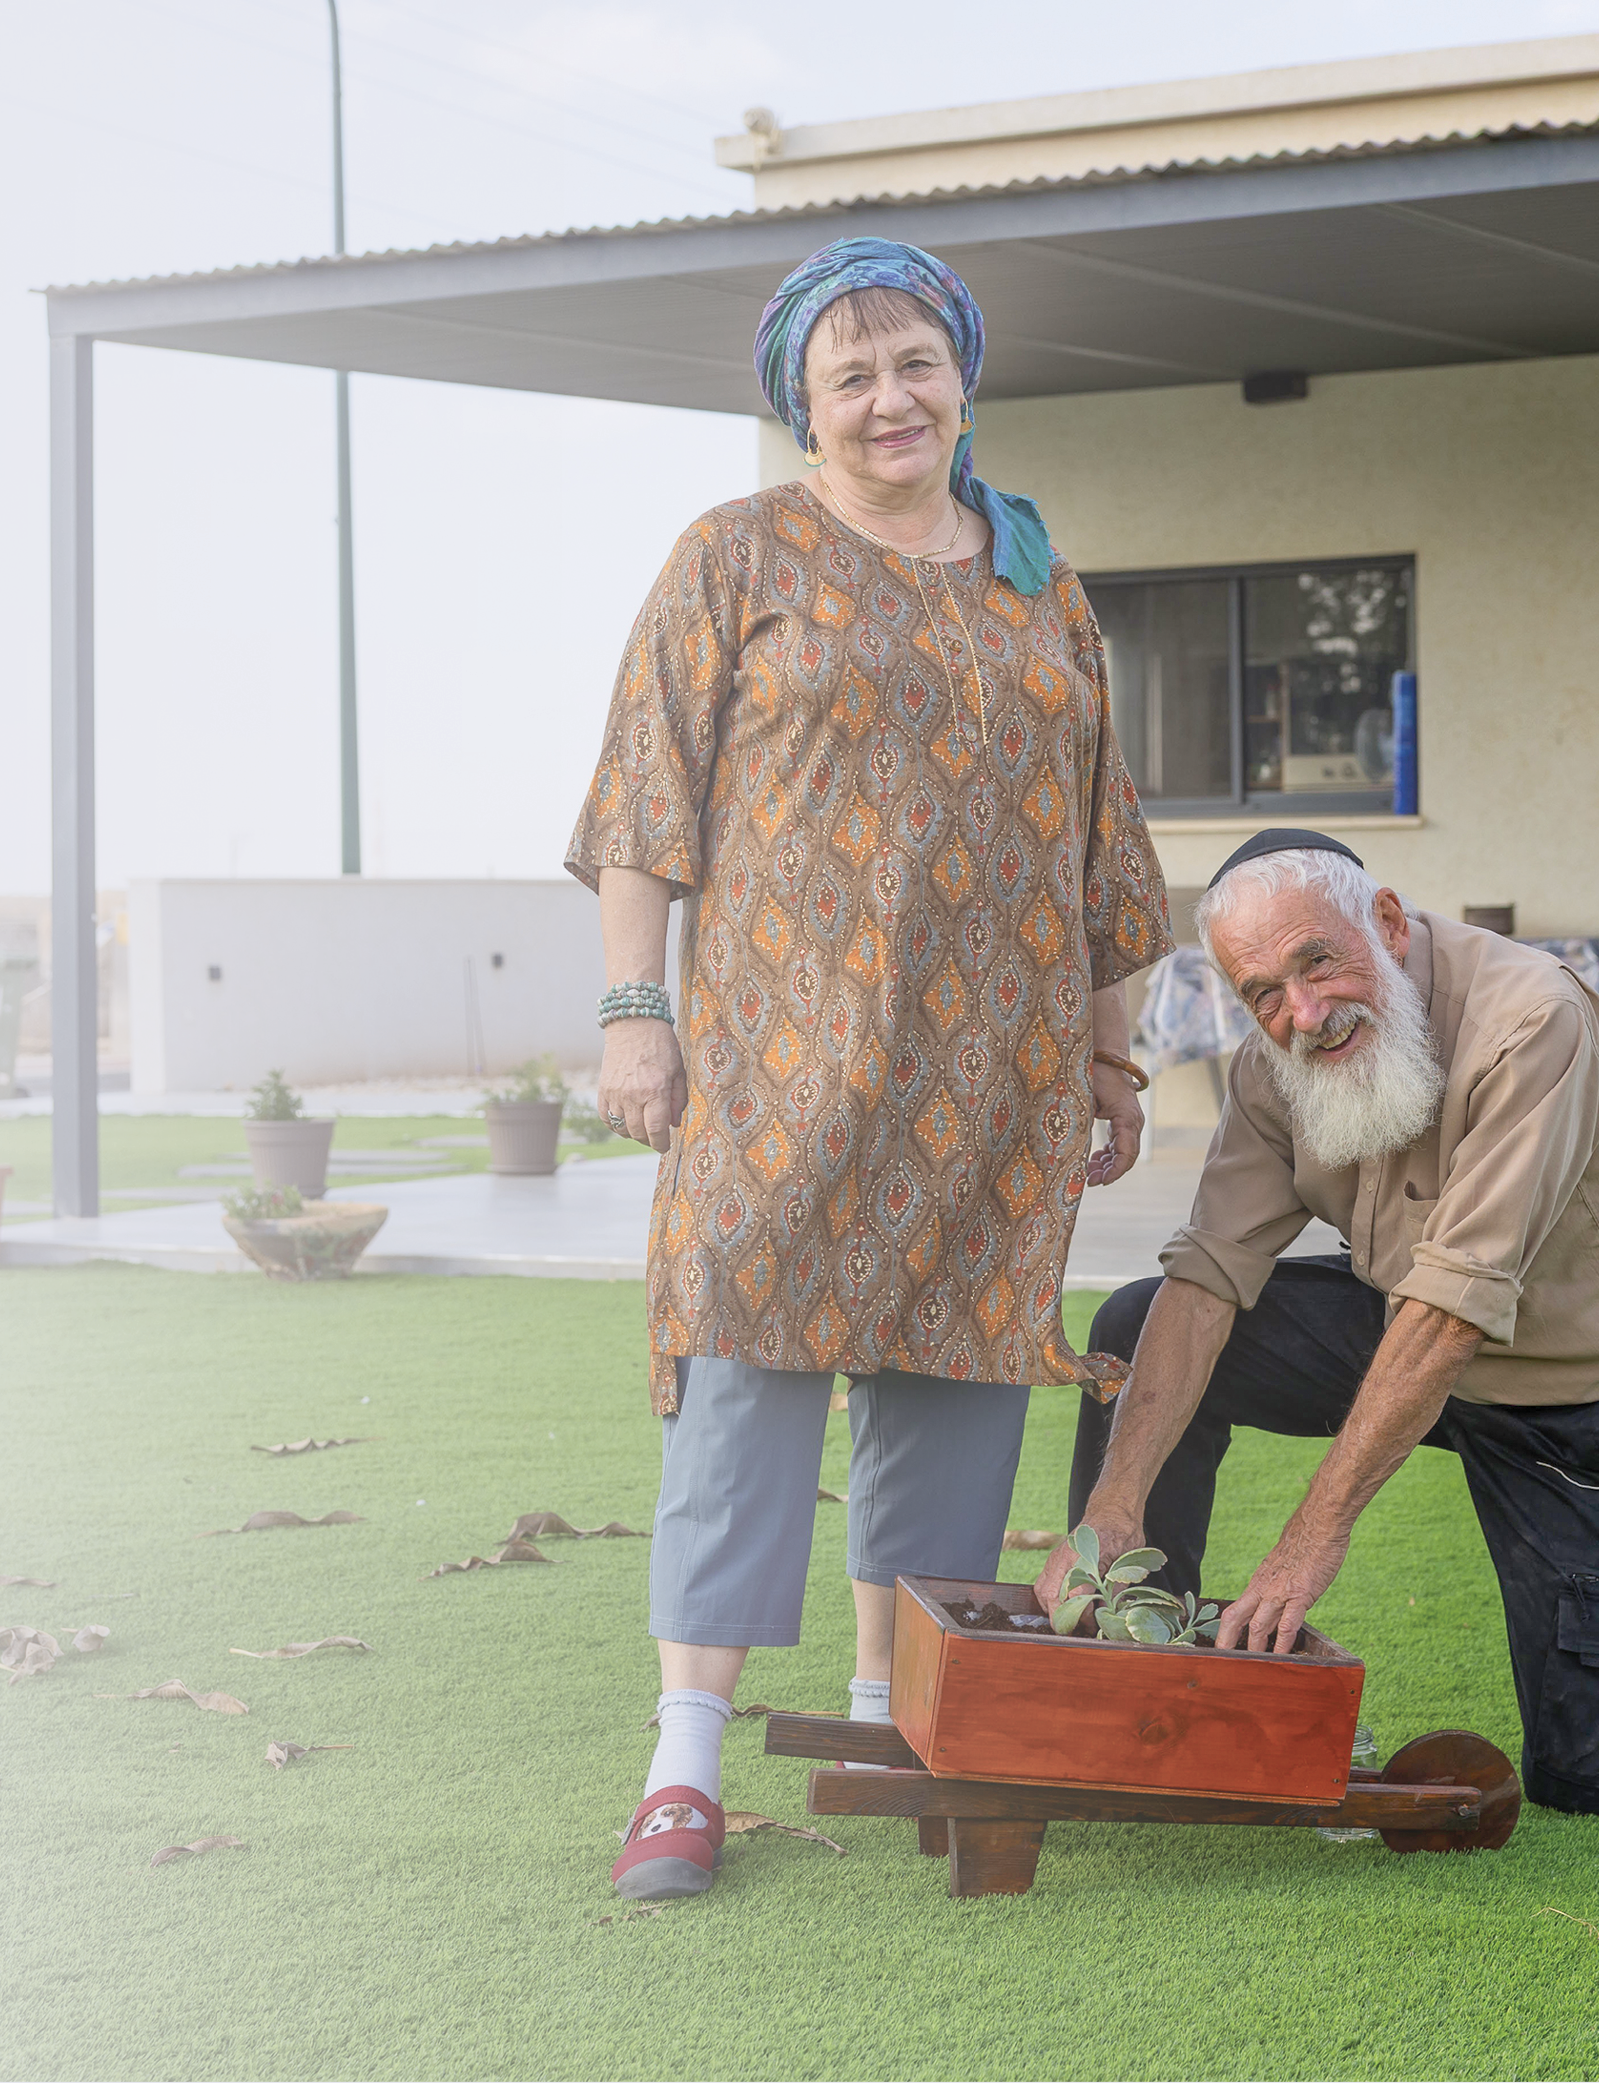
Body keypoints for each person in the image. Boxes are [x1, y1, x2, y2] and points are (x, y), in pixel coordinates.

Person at [567, 237, 1173, 1900]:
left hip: (999, 1078)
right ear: (801, 404)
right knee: (745, 1376)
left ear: (960, 373)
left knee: (956, 1395)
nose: (888, 398)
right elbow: (642, 798)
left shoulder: (1037, 576)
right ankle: (682, 1766)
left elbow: (1098, 833)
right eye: (850, 374)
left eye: (913, 361)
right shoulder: (731, 553)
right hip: (777, 1065)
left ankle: (892, 1722)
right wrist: (638, 1007)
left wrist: (1111, 1051)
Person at [1059, 829, 1599, 1818]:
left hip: (1597, 1396)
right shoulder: (1276, 1067)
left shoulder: (1531, 1019)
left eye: (1317, 961)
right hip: (1416, 1327)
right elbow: (1208, 1279)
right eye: (1264, 991)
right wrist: (1111, 1511)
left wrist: (1310, 1539)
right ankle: (1151, 1681)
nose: (1302, 1012)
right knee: (1144, 1316)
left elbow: (1453, 1313)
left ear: (1388, 924)